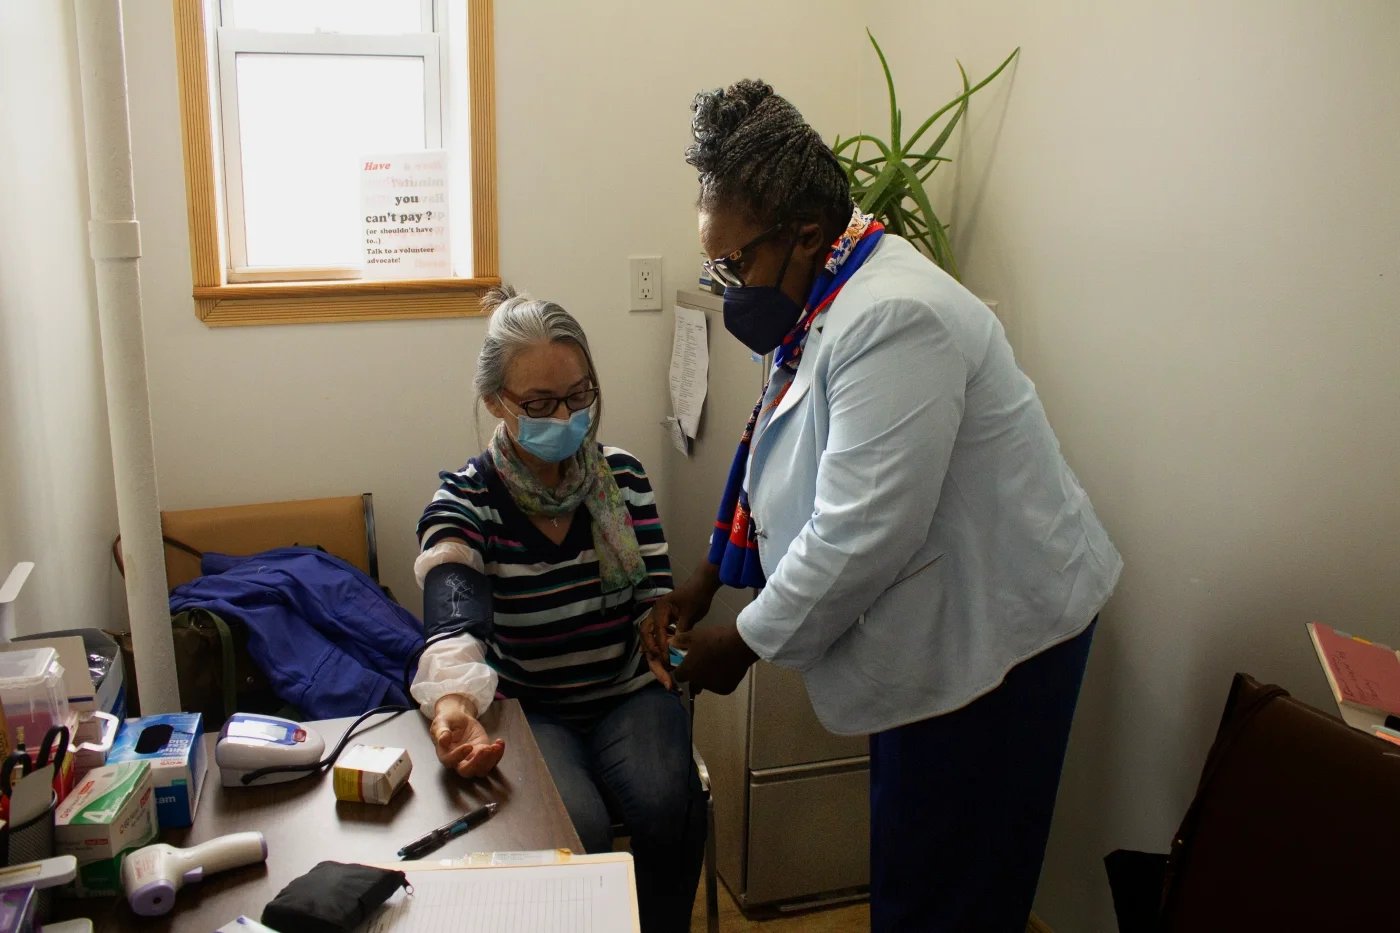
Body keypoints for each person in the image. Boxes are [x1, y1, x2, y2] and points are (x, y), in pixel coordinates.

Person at [647, 80, 1123, 932]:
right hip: (928, 625)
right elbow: (771, 446)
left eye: (735, 264)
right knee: (913, 859)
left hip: (999, 641)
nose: (728, 286)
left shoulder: (898, 316)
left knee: (954, 888)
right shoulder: (823, 289)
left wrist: (743, 642)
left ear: (804, 233)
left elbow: (860, 530)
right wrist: (710, 577)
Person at [412, 285, 704, 933]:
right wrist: (453, 700)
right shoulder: (467, 500)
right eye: (541, 403)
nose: (566, 416)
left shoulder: (622, 478)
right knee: (576, 831)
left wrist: (679, 643)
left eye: (579, 395)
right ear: (496, 400)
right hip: (531, 707)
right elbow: (453, 612)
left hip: (626, 694)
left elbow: (656, 604)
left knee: (668, 802)